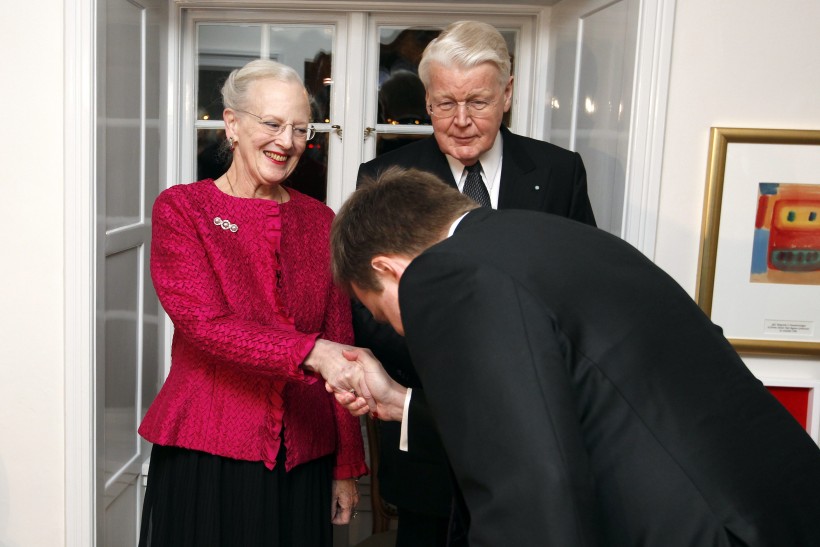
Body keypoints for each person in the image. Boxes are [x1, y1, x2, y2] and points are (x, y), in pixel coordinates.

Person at [330, 167, 820, 547]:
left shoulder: (445, 274)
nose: (400, 328)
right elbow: (555, 402)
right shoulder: (554, 239)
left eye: (383, 311)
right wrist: (401, 400)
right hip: (775, 511)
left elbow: (530, 487)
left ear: (389, 269)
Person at [354, 20, 596, 546]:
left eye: (478, 102)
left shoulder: (558, 173)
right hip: (425, 431)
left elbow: (581, 294)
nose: (461, 121)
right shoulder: (384, 178)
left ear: (507, 94)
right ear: (427, 99)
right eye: (444, 104)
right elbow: (368, 314)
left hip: (535, 431)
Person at [138, 59, 368, 547]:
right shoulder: (183, 209)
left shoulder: (321, 221)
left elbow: (342, 344)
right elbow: (205, 325)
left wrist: (347, 464)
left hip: (305, 457)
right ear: (232, 124)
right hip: (209, 452)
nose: (286, 141)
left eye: (300, 129)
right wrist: (311, 351)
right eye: (271, 123)